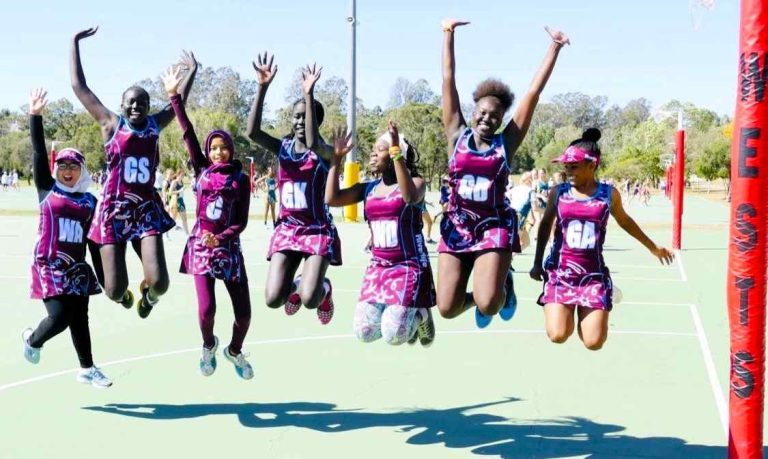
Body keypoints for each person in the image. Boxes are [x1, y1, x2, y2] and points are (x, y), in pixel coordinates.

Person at [438, 19, 569, 328]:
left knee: (489, 304)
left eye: (494, 116)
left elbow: (532, 94)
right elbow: (448, 80)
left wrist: (555, 46)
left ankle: (503, 284)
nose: (487, 118)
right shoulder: (456, 137)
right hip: (457, 225)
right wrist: (448, 34)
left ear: (500, 121)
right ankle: (493, 285)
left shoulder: (505, 144)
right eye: (482, 112)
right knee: (446, 307)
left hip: (492, 227)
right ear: (473, 112)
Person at [70, 27, 197, 318]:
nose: (137, 105)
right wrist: (74, 43)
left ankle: (148, 298)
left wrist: (192, 72)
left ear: (149, 107)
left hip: (146, 209)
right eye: (131, 101)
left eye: (142, 102)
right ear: (123, 105)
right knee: (113, 290)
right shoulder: (110, 124)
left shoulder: (154, 125)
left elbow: (178, 104)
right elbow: (80, 87)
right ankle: (125, 295)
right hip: (114, 211)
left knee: (161, 283)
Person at [530, 128, 674, 350]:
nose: (568, 171)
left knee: (593, 342)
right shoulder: (558, 193)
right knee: (558, 334)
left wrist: (653, 248)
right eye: (566, 167)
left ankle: (601, 295)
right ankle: (564, 311)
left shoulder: (608, 195)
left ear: (592, 165)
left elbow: (625, 221)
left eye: (574, 166)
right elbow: (546, 224)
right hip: (561, 273)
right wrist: (537, 262)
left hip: (592, 275)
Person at [163, 65, 254, 379]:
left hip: (228, 250)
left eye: (223, 147)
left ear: (231, 150)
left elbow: (241, 221)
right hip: (202, 248)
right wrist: (174, 96)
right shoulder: (201, 170)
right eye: (213, 147)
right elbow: (187, 132)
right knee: (206, 311)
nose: (218, 152)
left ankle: (235, 350)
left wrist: (224, 237)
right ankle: (208, 345)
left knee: (244, 315)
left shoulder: (241, 179)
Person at [22, 88, 111, 388]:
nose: (68, 170)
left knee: (80, 318)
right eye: (62, 165)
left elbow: (95, 244)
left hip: (77, 268)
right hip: (49, 264)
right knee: (59, 318)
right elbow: (37, 151)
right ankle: (33, 340)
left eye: (73, 166)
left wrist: (104, 278)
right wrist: (35, 116)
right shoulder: (48, 190)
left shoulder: (89, 202)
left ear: (82, 169)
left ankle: (87, 368)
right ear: (55, 168)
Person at [246, 52, 339, 324]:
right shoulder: (282, 148)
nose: (299, 122)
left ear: (315, 121)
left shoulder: (323, 152)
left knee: (310, 300)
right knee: (273, 299)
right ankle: (298, 282)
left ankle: (323, 290)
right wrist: (262, 88)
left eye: (305, 117)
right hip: (287, 229)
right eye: (296, 117)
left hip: (316, 229)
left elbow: (312, 142)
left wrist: (309, 94)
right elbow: (252, 133)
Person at [326, 122, 436, 347]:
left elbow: (408, 198)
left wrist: (395, 149)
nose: (373, 152)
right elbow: (332, 198)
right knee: (364, 332)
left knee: (394, 334)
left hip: (408, 266)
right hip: (379, 267)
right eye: (375, 148)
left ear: (397, 154)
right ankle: (410, 314)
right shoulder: (368, 188)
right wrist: (336, 161)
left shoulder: (416, 184)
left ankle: (421, 315)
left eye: (381, 148)